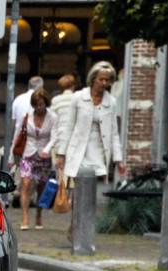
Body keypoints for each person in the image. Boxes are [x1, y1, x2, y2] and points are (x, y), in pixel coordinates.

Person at [55, 61, 126, 241]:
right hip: (79, 149)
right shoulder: (78, 98)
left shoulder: (111, 101)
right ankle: (75, 223)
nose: (104, 83)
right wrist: (61, 154)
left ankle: (84, 226)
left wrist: (118, 160)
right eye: (101, 79)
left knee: (91, 193)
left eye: (107, 80)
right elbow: (69, 127)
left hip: (99, 151)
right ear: (93, 79)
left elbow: (114, 133)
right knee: (78, 192)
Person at [14, 88, 57, 230]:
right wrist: (11, 156)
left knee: (41, 187)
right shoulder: (27, 117)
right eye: (37, 104)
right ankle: (25, 217)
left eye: (42, 104)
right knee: (25, 183)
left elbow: (54, 137)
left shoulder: (52, 118)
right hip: (28, 154)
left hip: (44, 156)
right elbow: (18, 136)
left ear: (46, 104)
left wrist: (47, 150)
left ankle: (38, 215)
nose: (39, 107)